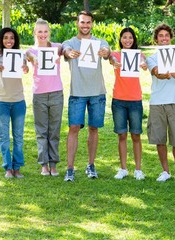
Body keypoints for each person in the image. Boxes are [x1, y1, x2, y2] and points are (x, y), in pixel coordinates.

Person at [62, 11, 110, 181]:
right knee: (73, 128)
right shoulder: (70, 42)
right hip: (78, 93)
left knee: (93, 128)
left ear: (92, 24)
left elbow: (107, 50)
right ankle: (70, 168)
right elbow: (65, 49)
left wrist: (105, 52)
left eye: (88, 22)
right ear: (77, 23)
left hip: (97, 92)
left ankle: (90, 165)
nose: (85, 25)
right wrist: (69, 53)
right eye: (82, 22)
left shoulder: (99, 42)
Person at [146, 23, 175, 184]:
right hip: (157, 103)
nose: (164, 38)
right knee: (160, 139)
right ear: (156, 39)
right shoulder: (151, 57)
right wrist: (165, 73)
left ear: (170, 38)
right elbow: (157, 73)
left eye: (166, 35)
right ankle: (165, 171)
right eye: (160, 36)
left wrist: (170, 71)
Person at [0, 27, 29, 178]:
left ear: (15, 40)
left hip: (18, 101)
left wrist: (25, 68)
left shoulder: (20, 55)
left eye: (11, 38)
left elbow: (26, 69)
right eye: (6, 38)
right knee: (4, 137)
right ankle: (8, 168)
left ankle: (17, 167)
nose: (9, 41)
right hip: (1, 102)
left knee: (18, 137)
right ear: (1, 40)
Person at [26, 19, 64, 177]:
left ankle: (53, 164)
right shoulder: (31, 51)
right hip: (39, 95)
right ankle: (44, 164)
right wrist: (32, 59)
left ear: (49, 32)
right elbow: (26, 55)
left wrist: (65, 53)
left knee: (54, 130)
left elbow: (67, 48)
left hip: (56, 93)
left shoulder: (57, 47)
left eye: (45, 31)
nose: (43, 34)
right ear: (35, 33)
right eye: (40, 31)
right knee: (41, 131)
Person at [109, 27, 147, 180]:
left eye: (130, 37)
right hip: (119, 100)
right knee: (122, 135)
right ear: (120, 39)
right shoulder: (116, 55)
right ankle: (123, 168)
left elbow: (144, 62)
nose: (127, 40)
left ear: (134, 39)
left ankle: (138, 169)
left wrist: (144, 64)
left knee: (136, 135)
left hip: (135, 100)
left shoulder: (139, 55)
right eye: (124, 37)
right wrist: (114, 62)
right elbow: (111, 59)